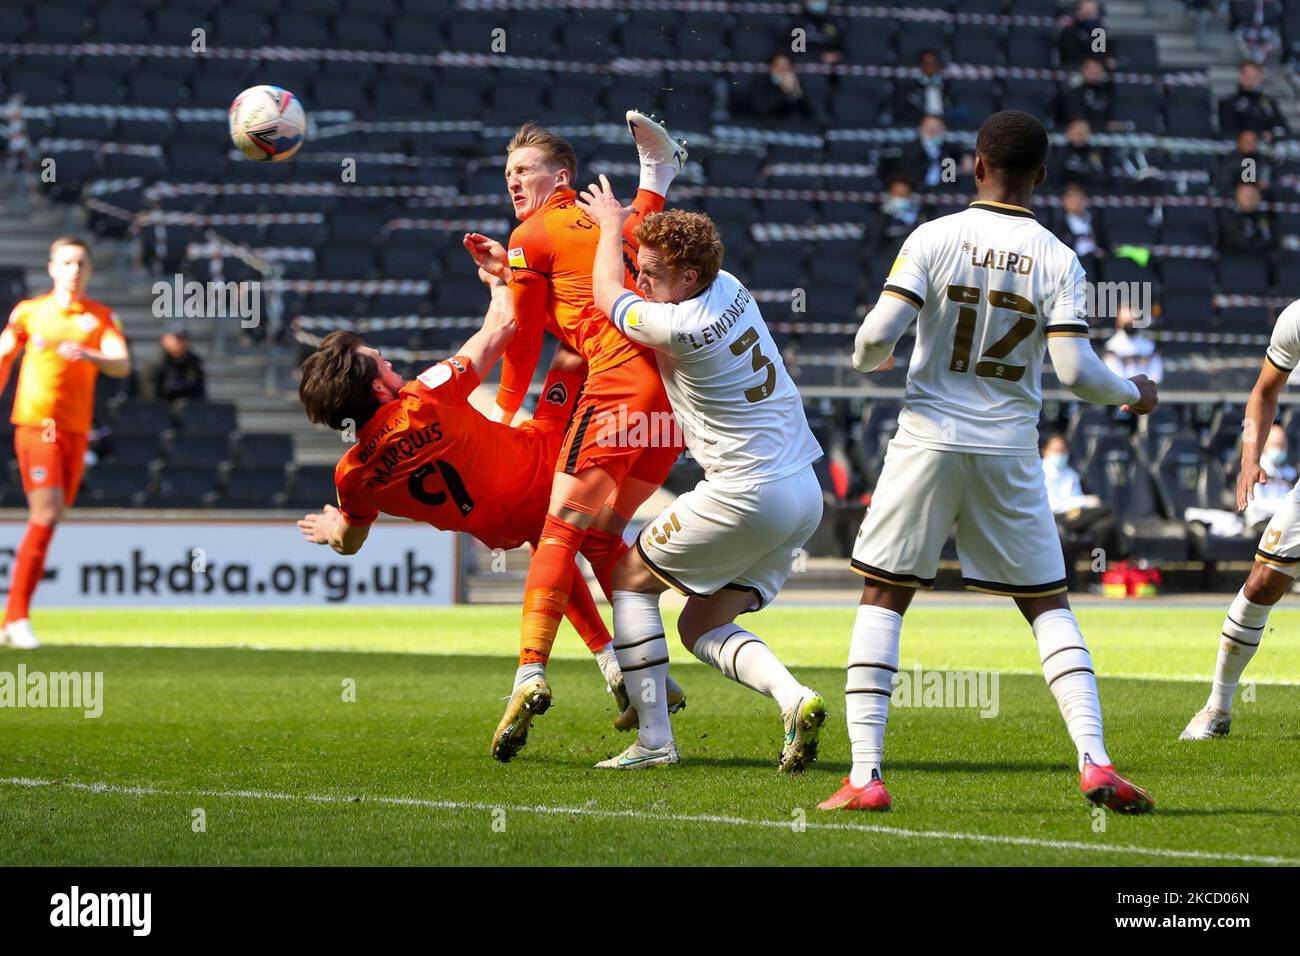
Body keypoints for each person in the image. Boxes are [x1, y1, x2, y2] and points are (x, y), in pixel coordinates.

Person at [820, 110, 1159, 813]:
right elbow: (1077, 373)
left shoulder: (932, 236)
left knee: (885, 594)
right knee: (1047, 605)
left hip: (927, 442)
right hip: (1008, 447)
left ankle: (865, 777)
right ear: (1040, 176)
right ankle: (1095, 760)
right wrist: (1136, 394)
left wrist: (871, 358)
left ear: (976, 166)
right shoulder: (1060, 258)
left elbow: (875, 337)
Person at [295, 274, 684, 732]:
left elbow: (350, 540)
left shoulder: (352, 476)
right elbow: (500, 328)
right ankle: (634, 667)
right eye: (378, 361)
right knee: (574, 346)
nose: (387, 360)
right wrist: (500, 280)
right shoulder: (421, 398)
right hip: (546, 464)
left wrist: (330, 529)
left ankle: (613, 668)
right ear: (379, 390)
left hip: (502, 524)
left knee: (548, 547)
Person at [576, 178, 826, 771]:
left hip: (747, 491)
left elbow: (604, 291)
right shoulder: (732, 287)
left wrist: (611, 227)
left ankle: (655, 742)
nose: (642, 281)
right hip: (803, 495)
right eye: (641, 268)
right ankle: (795, 699)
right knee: (699, 622)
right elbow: (640, 280)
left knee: (632, 579)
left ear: (690, 279)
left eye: (654, 272)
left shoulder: (678, 326)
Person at [460, 112, 688, 762]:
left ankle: (530, 668)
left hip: (617, 387)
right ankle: (643, 681)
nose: (512, 180)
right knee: (597, 537)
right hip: (668, 405)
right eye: (506, 173)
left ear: (561, 176)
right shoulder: (596, 226)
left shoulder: (533, 231)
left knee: (557, 528)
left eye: (523, 170)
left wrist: (505, 409)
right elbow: (586, 298)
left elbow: (525, 333)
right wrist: (509, 271)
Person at [0, 237, 131, 649]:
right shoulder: (30, 312)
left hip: (75, 431)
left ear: (89, 270)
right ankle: (17, 616)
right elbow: (3, 354)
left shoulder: (100, 317)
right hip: (37, 426)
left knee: (52, 517)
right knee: (48, 510)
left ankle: (10, 618)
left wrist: (92, 356)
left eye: (80, 263)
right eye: (67, 262)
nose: (74, 269)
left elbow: (122, 363)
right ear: (52, 268)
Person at [1182, 297, 1300, 740]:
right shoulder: (1296, 319)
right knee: (1260, 583)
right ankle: (1217, 708)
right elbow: (1264, 391)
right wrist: (1250, 457)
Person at [1218, 61, 1289, 142]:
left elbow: (1283, 128)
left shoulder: (1269, 103)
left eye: (1255, 77)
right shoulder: (1228, 104)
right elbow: (1228, 132)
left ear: (1261, 78)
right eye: (1249, 77)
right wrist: (1259, 135)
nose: (1252, 81)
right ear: (1240, 77)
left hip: (1269, 150)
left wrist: (1273, 135)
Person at [1243, 423, 1296, 528]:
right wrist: (1286, 508)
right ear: (1265, 444)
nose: (1279, 450)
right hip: (1261, 525)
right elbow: (1256, 503)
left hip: (1286, 524)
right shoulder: (1254, 469)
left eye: (1282, 446)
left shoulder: (1291, 474)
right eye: (1275, 445)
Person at [738, 52, 816, 122]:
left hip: (791, 128)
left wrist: (797, 92)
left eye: (786, 67)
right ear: (771, 68)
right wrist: (785, 91)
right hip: (764, 125)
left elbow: (809, 114)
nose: (782, 71)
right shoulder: (761, 82)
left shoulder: (795, 84)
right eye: (779, 67)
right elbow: (760, 109)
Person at [1051, 182, 1106, 280]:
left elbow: (1105, 246)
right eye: (1072, 197)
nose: (1077, 201)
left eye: (1080, 196)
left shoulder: (1096, 222)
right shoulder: (1059, 226)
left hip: (1095, 267)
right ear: (1065, 201)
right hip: (1071, 269)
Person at [1103, 303, 1163, 385]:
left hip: (1145, 393)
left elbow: (1156, 375)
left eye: (1133, 320)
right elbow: (1114, 376)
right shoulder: (1112, 346)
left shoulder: (1149, 346)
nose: (1130, 323)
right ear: (1118, 322)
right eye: (1127, 321)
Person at [1057, 57, 1119, 132]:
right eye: (1091, 70)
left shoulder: (1105, 94)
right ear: (1083, 70)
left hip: (1103, 135)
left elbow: (1111, 120)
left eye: (1097, 70)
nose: (1094, 73)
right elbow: (1076, 121)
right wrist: (1104, 125)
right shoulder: (1073, 94)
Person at [1049, 117, 1110, 192]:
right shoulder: (1058, 152)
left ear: (1089, 133)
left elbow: (1100, 173)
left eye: (1084, 132)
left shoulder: (1095, 152)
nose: (1080, 136)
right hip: (1064, 192)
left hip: (1088, 191)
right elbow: (1054, 175)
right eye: (1077, 133)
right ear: (1069, 132)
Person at [149, 322, 206, 402]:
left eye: (183, 338)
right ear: (164, 340)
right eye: (176, 338)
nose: (179, 343)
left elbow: (200, 395)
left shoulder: (194, 362)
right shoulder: (155, 364)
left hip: (189, 410)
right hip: (161, 410)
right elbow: (149, 398)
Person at [1219, 181, 1276, 257]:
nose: (1249, 199)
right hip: (1235, 260)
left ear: (1259, 197)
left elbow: (1270, 240)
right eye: (1246, 195)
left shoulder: (1265, 217)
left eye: (1252, 195)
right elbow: (1236, 242)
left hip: (1260, 261)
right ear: (1238, 195)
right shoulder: (1228, 216)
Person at [1217, 127, 1272, 198]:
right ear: (1239, 142)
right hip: (1233, 200)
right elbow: (1223, 185)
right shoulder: (1229, 160)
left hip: (1258, 200)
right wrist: (1242, 192)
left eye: (1253, 141)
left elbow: (1267, 183)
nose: (1250, 144)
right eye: (1246, 141)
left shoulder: (1263, 160)